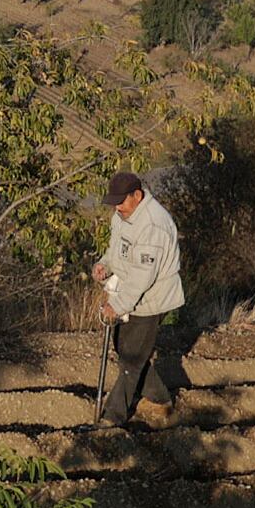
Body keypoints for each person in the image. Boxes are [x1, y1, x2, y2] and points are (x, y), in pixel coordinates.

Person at [90, 169, 183, 425]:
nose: (117, 206)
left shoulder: (153, 226)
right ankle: (159, 397)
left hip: (152, 299)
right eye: (115, 202)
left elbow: (144, 276)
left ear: (137, 195)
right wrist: (104, 265)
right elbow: (116, 249)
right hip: (131, 292)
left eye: (121, 201)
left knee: (131, 358)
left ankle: (112, 417)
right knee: (125, 348)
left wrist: (117, 306)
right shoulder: (123, 214)